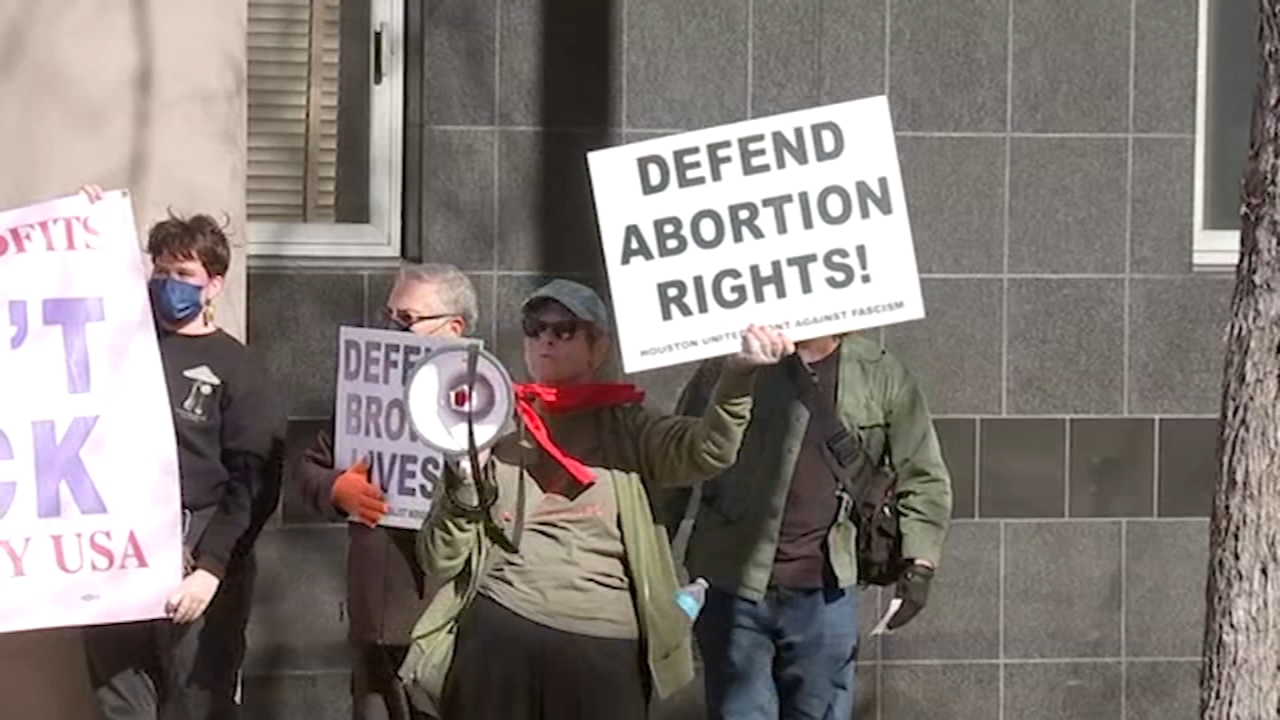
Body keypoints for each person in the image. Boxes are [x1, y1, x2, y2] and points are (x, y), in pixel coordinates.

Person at [400, 279, 794, 720]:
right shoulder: (493, 420)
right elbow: (440, 559)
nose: (546, 339)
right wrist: (464, 481)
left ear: (598, 347)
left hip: (601, 640)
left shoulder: (631, 427)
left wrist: (738, 375)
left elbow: (709, 450)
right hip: (502, 627)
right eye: (534, 327)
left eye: (565, 329)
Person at [661, 332, 953, 720]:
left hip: (826, 592)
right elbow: (675, 463)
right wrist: (647, 564)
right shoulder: (729, 367)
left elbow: (923, 475)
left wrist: (920, 563)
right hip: (733, 584)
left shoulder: (880, 371)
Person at [78, 185, 287, 720]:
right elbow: (70, 304)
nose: (168, 282)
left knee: (197, 703)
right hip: (117, 548)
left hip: (196, 548)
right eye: (161, 270)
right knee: (119, 700)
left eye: (184, 273)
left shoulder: (239, 369)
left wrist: (211, 569)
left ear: (214, 284)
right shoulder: (121, 345)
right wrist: (87, 225)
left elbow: (255, 482)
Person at [295, 263, 478, 720]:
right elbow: (309, 467)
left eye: (407, 318)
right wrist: (336, 488)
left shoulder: (485, 401)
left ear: (454, 328)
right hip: (373, 615)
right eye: (389, 315)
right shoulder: (367, 394)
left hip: (444, 619)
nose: (392, 327)